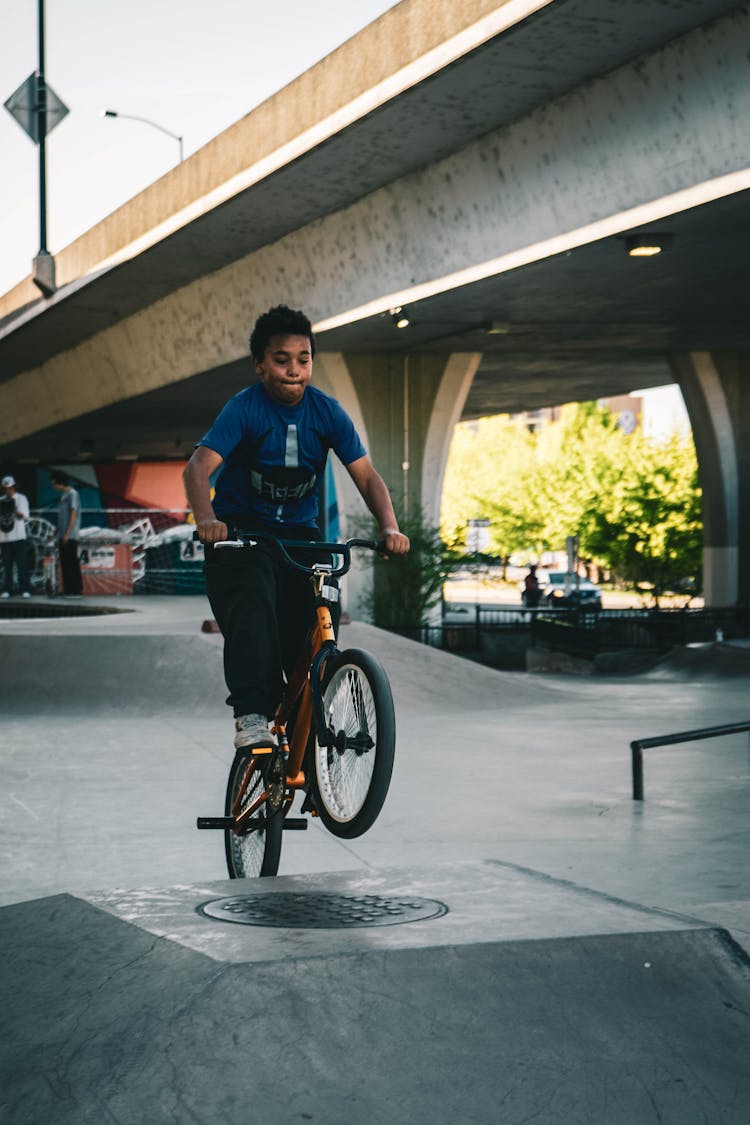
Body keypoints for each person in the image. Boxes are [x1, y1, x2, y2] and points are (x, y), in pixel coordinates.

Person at [183, 304, 410, 751]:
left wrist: (390, 527)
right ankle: (252, 713)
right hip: (241, 533)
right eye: (281, 360)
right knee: (254, 606)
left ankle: (311, 710)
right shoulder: (244, 409)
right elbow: (197, 468)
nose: (293, 370)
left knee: (315, 613)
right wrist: (208, 520)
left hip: (300, 534)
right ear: (260, 364)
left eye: (303, 359)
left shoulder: (326, 413)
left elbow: (365, 476)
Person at [51, 470, 83, 597]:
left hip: (70, 534)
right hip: (62, 533)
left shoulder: (72, 494)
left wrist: (68, 534)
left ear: (61, 482)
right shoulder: (63, 496)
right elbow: (62, 516)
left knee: (72, 562)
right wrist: (57, 531)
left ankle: (76, 589)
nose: (54, 487)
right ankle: (68, 588)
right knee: (64, 562)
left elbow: (73, 514)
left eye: (55, 484)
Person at [0, 475, 31, 599]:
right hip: (4, 537)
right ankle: (7, 589)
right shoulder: (0, 500)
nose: (7, 490)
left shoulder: (21, 498)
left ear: (13, 487)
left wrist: (15, 510)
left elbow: (26, 517)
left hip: (18, 536)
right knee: (7, 565)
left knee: (21, 563)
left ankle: (25, 589)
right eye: (5, 488)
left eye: (9, 488)